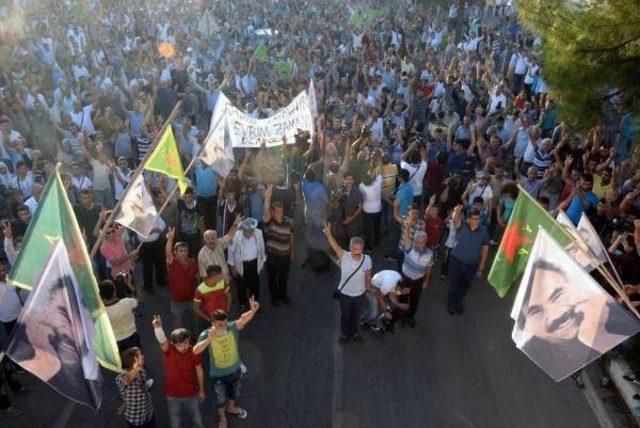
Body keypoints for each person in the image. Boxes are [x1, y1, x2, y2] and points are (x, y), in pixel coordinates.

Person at [515, 259, 640, 381]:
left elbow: (629, 340)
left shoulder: (603, 312)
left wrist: (601, 333)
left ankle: (603, 378)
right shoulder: (550, 356)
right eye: (536, 312)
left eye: (558, 295)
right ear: (526, 326)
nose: (558, 314)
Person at [193, 299, 260, 428]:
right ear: (212, 323)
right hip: (218, 374)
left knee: (234, 393)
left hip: (235, 370)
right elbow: (195, 351)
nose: (223, 327)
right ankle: (222, 418)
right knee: (220, 400)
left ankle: (232, 408)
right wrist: (208, 340)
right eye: (219, 325)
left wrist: (253, 310)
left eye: (224, 324)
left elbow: (242, 320)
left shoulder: (231, 328)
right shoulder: (206, 334)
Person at [151, 315, 205, 428]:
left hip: (191, 393)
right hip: (172, 395)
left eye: (185, 343)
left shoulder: (193, 351)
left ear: (189, 340)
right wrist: (158, 328)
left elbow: (199, 370)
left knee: (197, 420)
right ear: (174, 344)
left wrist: (202, 390)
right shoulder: (169, 350)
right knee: (175, 423)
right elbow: (162, 340)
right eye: (179, 345)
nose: (183, 347)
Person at [323, 222, 372, 344]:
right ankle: (345, 334)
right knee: (345, 316)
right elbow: (335, 246)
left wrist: (368, 290)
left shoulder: (367, 260)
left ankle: (354, 333)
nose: (357, 252)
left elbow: (368, 275)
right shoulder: (344, 256)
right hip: (345, 294)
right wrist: (329, 235)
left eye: (360, 249)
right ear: (350, 249)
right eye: (355, 249)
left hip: (360, 294)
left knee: (356, 316)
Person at [447, 205, 489, 315]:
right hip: (456, 262)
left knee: (465, 286)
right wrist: (457, 211)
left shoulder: (483, 230)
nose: (478, 221)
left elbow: (485, 247)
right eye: (475, 219)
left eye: (479, 218)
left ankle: (458, 302)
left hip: (472, 265)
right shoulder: (462, 225)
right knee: (454, 285)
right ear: (469, 219)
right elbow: (455, 219)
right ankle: (450, 303)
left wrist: (482, 264)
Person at [262, 184, 294, 306]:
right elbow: (266, 210)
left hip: (285, 255)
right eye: (277, 212)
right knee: (272, 277)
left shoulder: (288, 222)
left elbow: (291, 237)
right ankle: (274, 297)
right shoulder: (269, 223)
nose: (279, 214)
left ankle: (283, 295)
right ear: (272, 212)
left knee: (284, 277)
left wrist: (292, 252)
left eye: (281, 212)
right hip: (273, 255)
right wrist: (268, 197)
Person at [165, 227, 199, 329]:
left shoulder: (193, 262)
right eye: (180, 251)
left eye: (185, 251)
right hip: (177, 301)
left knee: (194, 321)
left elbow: (197, 277)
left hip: (192, 298)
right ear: (175, 252)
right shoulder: (172, 262)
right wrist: (170, 240)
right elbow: (167, 253)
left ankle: (194, 338)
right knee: (177, 324)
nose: (183, 253)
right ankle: (178, 342)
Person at [228, 218, 266, 309]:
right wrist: (232, 268)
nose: (248, 233)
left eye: (250, 231)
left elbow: (262, 248)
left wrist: (262, 262)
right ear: (243, 229)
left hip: (254, 264)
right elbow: (230, 251)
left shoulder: (259, 233)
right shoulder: (236, 236)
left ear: (254, 229)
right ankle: (243, 304)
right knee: (241, 287)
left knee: (255, 287)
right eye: (246, 231)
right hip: (241, 265)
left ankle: (254, 305)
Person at [400, 230, 434, 327]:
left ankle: (410, 316)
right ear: (414, 241)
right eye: (418, 242)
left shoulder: (430, 254)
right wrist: (408, 224)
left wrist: (426, 281)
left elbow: (429, 267)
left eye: (423, 242)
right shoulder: (409, 247)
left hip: (418, 280)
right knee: (403, 298)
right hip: (405, 278)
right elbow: (406, 233)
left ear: (425, 241)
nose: (420, 245)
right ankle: (402, 316)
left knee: (415, 300)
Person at [100, 277, 141, 353]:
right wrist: (130, 285)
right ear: (114, 292)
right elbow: (139, 299)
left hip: (116, 343)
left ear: (101, 296)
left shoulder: (102, 312)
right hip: (133, 338)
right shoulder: (127, 302)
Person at [116, 347, 155, 428]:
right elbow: (126, 381)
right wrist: (136, 368)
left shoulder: (142, 370)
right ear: (134, 359)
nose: (143, 356)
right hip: (136, 419)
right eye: (140, 354)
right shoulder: (120, 377)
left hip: (149, 413)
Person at [197, 216, 242, 283]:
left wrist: (235, 224)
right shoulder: (201, 255)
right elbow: (203, 275)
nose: (211, 240)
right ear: (204, 240)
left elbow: (230, 236)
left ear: (216, 238)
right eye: (208, 238)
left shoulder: (219, 243)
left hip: (225, 282)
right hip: (213, 286)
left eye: (213, 238)